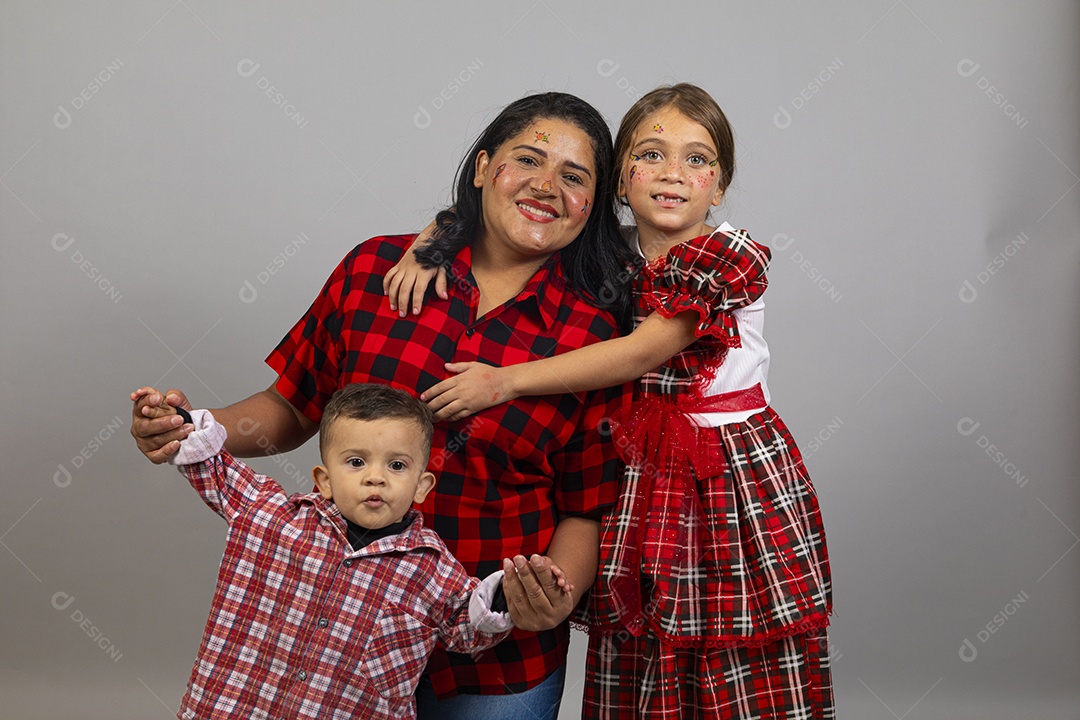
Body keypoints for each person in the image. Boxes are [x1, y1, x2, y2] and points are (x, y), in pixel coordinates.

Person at [131, 91, 635, 720]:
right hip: (339, 648)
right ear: (482, 169)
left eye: (574, 176)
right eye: (527, 160)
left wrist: (553, 596)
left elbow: (586, 505)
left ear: (594, 204)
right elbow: (292, 405)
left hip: (497, 660)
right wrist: (193, 430)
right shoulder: (375, 271)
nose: (546, 186)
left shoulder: (599, 340)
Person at [386, 84, 835, 719]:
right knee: (644, 638)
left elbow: (642, 352)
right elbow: (505, 209)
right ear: (619, 179)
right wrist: (432, 240)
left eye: (698, 160)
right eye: (650, 155)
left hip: (725, 474)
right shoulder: (612, 254)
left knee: (729, 637)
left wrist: (505, 380)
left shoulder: (728, 257)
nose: (673, 174)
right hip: (640, 471)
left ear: (722, 185)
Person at [139, 382, 538, 719]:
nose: (375, 478)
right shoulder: (270, 515)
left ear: (422, 485)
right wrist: (177, 422)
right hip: (230, 707)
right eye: (356, 462)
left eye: (397, 466)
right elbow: (214, 468)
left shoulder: (432, 569)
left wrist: (508, 593)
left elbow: (469, 628)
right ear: (324, 479)